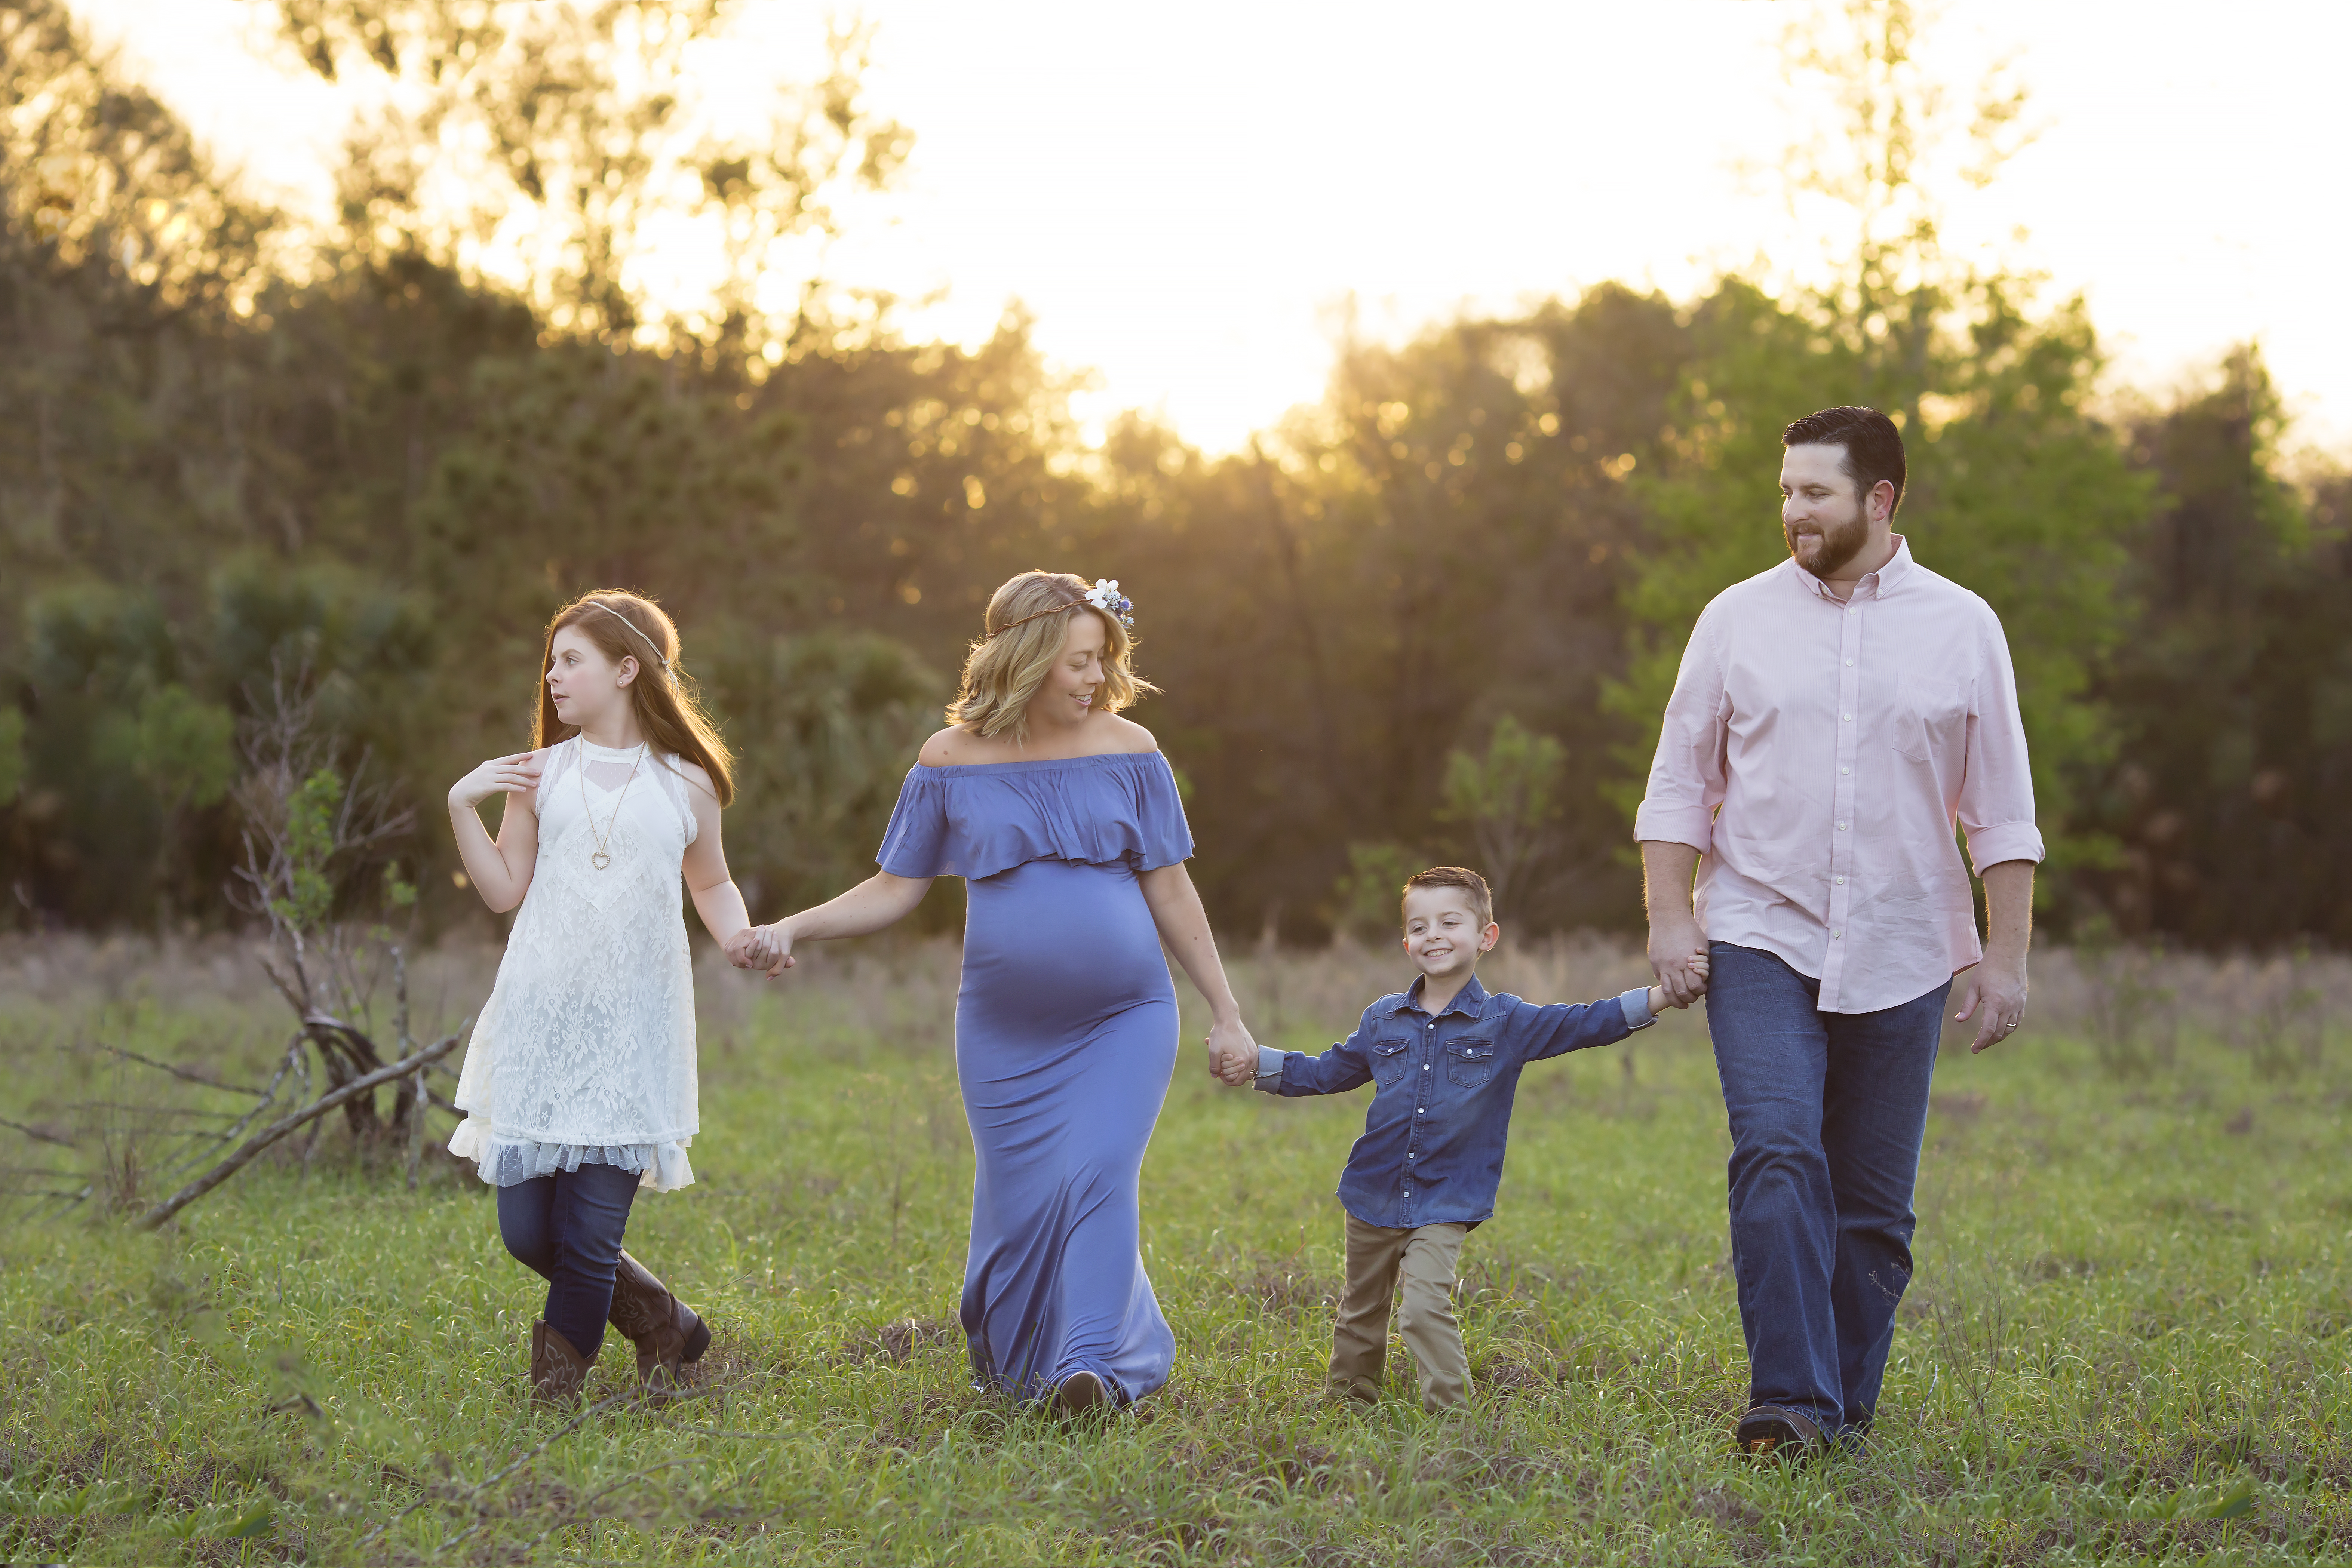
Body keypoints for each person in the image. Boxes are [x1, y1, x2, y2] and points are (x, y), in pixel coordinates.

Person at [741, 571, 1260, 1414]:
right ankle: (1024, 1368)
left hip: (1125, 1016)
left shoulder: (1132, 751)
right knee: (1021, 1204)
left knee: (1097, 1175)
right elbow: (894, 887)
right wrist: (793, 928)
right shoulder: (949, 761)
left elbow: (1170, 891)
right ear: (1026, 657)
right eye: (1078, 662)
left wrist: (1226, 1013)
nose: (1095, 678)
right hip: (1004, 1029)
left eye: (1102, 660)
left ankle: (1092, 1369)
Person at [1636, 405, 2042, 1457]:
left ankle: (1841, 1414)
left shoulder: (1964, 626)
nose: (1791, 511)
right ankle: (1792, 1405)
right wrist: (1672, 917)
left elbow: (2000, 810)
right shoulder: (1735, 618)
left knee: (1873, 1210)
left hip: (1904, 943)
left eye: (1812, 492)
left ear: (1880, 499)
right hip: (1760, 931)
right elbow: (1680, 782)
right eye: (1784, 491)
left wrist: (2005, 959)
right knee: (1774, 1150)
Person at [1234, 866, 1703, 1412]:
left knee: (1422, 1308)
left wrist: (1659, 997)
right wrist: (1255, 1063)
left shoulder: (1506, 1021)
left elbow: (1583, 1021)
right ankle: (1349, 1407)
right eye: (1419, 925)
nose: (1432, 934)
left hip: (1445, 1198)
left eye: (1449, 922)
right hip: (1371, 1192)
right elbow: (1324, 1072)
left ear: (1485, 936)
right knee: (1360, 1310)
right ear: (1405, 940)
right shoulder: (1382, 1019)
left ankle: (1454, 1422)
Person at [446, 591, 757, 1406]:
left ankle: (553, 1406)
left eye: (571, 659)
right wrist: (459, 806)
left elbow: (714, 883)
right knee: (528, 1235)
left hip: (633, 1033)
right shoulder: (541, 774)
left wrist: (737, 938)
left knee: (587, 1239)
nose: (552, 676)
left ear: (627, 669)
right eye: (550, 661)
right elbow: (503, 891)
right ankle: (667, 1322)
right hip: (539, 1024)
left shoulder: (685, 783)